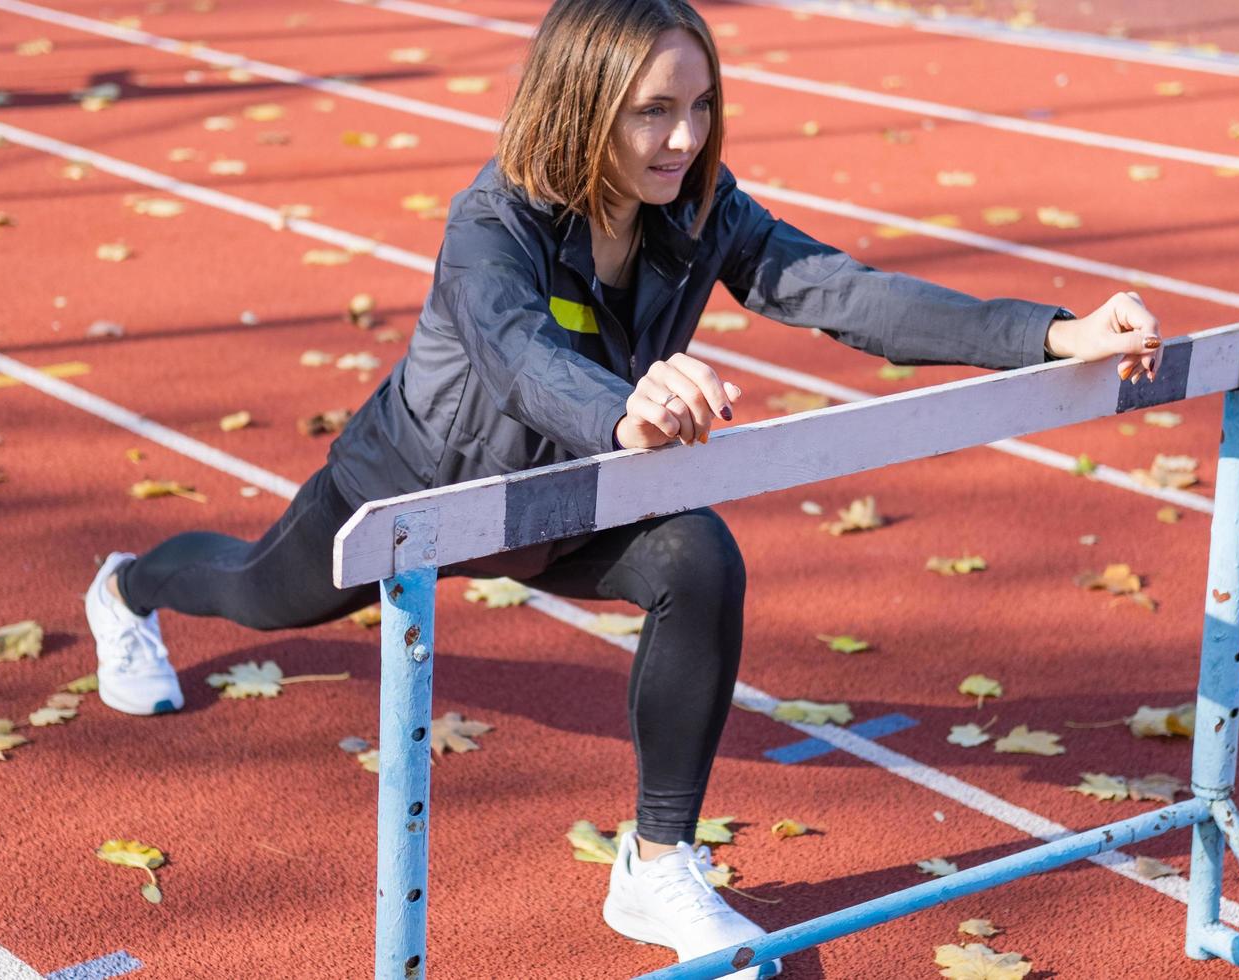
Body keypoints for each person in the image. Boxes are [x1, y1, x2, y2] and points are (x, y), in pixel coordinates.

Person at [83, 0, 1163, 973]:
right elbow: (513, 351)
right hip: (415, 492)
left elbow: (840, 290)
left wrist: (1051, 333)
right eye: (653, 111)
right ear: (582, 103)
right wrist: (623, 406)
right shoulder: (491, 221)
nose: (684, 138)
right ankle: (128, 590)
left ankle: (655, 862)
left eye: (699, 107)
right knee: (253, 588)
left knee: (696, 555)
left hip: (569, 499)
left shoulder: (702, 207)